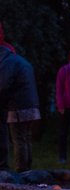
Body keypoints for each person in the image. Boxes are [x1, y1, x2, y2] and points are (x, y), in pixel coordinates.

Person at [0, 44, 41, 172]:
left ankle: (21, 171)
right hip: (31, 105)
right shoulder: (22, 61)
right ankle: (28, 169)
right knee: (26, 138)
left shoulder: (8, 63)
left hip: (18, 106)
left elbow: (3, 85)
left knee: (18, 139)